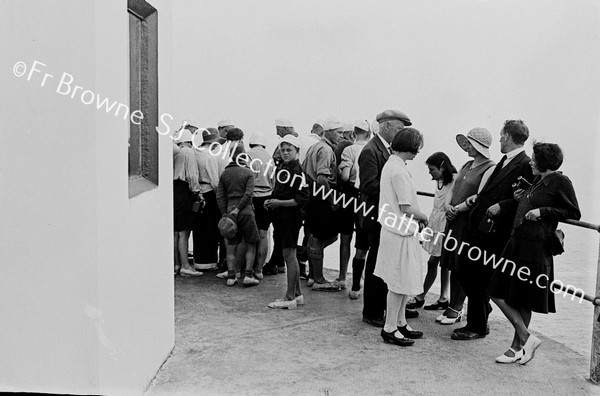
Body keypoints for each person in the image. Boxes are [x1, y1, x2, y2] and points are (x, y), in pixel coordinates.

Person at [490, 142, 580, 364]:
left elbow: (573, 212)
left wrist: (542, 211)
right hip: (519, 243)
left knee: (513, 297)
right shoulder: (539, 181)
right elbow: (532, 203)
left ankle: (519, 346)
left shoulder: (560, 180)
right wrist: (523, 198)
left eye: (534, 158)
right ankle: (523, 342)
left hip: (534, 247)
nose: (530, 161)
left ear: (544, 161)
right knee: (506, 293)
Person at [452, 120, 533, 341]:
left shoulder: (525, 164)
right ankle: (480, 316)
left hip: (496, 231)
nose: (499, 140)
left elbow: (526, 200)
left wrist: (504, 206)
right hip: (480, 227)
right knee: (467, 272)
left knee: (475, 275)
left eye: (500, 136)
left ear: (507, 136)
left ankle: (477, 325)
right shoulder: (506, 162)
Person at [359, 109, 417, 327]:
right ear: (386, 126)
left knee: (387, 264)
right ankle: (372, 311)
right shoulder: (370, 151)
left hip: (386, 216)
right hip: (377, 217)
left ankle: (390, 308)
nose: (402, 133)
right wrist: (393, 189)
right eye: (400, 128)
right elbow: (367, 185)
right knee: (377, 265)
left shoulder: (388, 151)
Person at [436, 128, 495, 325]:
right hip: (453, 220)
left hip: (467, 223)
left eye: (470, 144)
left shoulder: (489, 167)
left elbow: (480, 195)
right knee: (452, 265)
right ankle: (453, 305)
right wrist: (447, 206)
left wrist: (458, 209)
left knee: (463, 267)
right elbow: (453, 188)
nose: (467, 147)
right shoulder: (467, 164)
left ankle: (456, 308)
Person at [376, 128, 427, 347]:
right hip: (400, 232)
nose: (417, 152)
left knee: (403, 280)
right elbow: (407, 207)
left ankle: (400, 322)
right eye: (416, 147)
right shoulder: (398, 171)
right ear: (409, 146)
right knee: (398, 283)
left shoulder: (393, 165)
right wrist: (424, 216)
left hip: (396, 231)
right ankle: (389, 328)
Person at [406, 152, 457, 310]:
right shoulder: (440, 180)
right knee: (440, 263)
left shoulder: (455, 179)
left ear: (442, 167)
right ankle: (442, 298)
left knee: (436, 261)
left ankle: (423, 296)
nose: (430, 173)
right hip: (436, 221)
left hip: (444, 224)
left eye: (432, 169)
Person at [266, 135, 309, 309]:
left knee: (289, 256)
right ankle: (297, 294)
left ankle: (289, 296)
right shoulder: (284, 168)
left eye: (289, 150)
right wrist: (271, 201)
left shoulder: (296, 171)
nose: (285, 153)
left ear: (297, 152)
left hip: (290, 217)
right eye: (283, 150)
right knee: (290, 256)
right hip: (282, 216)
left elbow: (301, 199)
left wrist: (278, 203)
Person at [302, 117, 344, 291]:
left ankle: (313, 275)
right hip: (321, 197)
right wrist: (331, 200)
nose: (341, 136)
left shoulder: (314, 147)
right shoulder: (326, 150)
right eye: (339, 132)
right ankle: (319, 279)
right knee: (323, 237)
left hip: (311, 195)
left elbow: (305, 170)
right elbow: (321, 178)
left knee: (314, 236)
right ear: (328, 132)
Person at [216, 141, 261, 287]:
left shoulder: (225, 173)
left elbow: (219, 196)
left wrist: (226, 213)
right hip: (246, 212)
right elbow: (248, 194)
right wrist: (240, 208)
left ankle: (231, 276)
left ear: (230, 155)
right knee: (250, 244)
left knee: (231, 246)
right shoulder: (248, 173)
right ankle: (248, 275)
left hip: (230, 212)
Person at [339, 120, 371, 299]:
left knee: (345, 237)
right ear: (370, 134)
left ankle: (343, 277)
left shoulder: (349, 150)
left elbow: (344, 176)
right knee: (362, 241)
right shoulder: (372, 150)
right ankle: (359, 282)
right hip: (365, 196)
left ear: (353, 134)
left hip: (349, 193)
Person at [191, 129, 225, 271]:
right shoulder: (210, 155)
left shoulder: (195, 152)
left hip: (196, 192)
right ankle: (209, 261)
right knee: (210, 228)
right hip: (210, 193)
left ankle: (199, 259)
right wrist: (220, 197)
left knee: (199, 227)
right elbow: (215, 181)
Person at [172, 128, 203, 277]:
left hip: (174, 190)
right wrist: (198, 193)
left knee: (176, 232)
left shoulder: (175, 152)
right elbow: (192, 175)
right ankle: (186, 265)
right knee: (185, 231)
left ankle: (176, 264)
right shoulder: (188, 152)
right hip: (185, 192)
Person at [247, 134, 274, 279]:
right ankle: (259, 269)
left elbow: (247, 177)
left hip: (252, 197)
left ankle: (248, 269)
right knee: (263, 234)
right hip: (267, 196)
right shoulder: (269, 157)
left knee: (250, 235)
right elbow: (274, 179)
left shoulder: (248, 155)